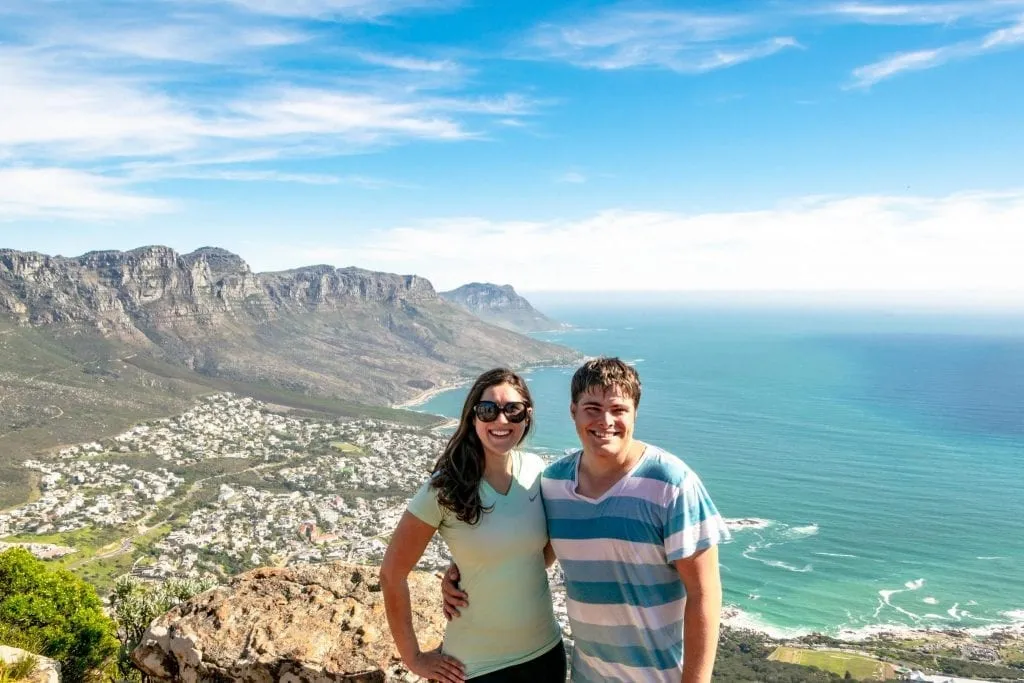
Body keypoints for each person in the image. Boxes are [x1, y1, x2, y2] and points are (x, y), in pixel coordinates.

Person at [443, 357, 731, 682]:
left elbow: (705, 594)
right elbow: (530, 557)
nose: (605, 420)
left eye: (618, 409)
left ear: (635, 412)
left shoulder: (672, 484)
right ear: (573, 412)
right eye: (592, 408)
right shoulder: (553, 484)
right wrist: (463, 574)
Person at [380, 368, 566, 683]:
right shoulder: (445, 488)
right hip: (476, 666)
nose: (501, 420)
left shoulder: (537, 471)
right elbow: (391, 574)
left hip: (545, 653)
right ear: (473, 417)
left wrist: (471, 569)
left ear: (527, 416)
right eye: (488, 410)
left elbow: (539, 557)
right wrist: (413, 658)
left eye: (513, 410)